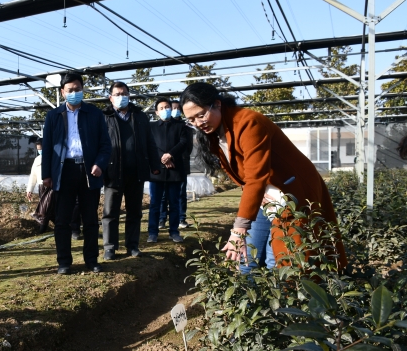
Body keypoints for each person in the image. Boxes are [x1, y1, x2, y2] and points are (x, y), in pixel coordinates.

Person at [179, 82, 347, 271]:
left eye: (201, 115)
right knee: (247, 259)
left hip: (291, 191)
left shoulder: (248, 122)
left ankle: (293, 289)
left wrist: (238, 229)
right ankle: (250, 289)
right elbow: (243, 174)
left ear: (217, 104)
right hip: (264, 194)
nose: (198, 123)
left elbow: (255, 176)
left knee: (284, 258)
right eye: (191, 120)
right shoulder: (215, 134)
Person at [41, 72, 112, 274]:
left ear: (83, 90)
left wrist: (99, 164)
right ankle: (64, 262)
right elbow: (47, 147)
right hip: (64, 171)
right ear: (62, 92)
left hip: (89, 171)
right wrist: (47, 174)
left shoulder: (94, 114)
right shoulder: (53, 116)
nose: (74, 93)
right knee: (62, 220)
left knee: (90, 219)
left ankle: (91, 260)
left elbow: (105, 145)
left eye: (78, 89)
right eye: (70, 90)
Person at [101, 81, 160, 260]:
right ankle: (110, 247)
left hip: (136, 171)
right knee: (110, 212)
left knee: (134, 211)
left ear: (129, 95)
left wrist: (155, 165)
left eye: (124, 94)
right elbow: (98, 144)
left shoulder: (140, 116)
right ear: (110, 98)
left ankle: (132, 246)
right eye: (117, 94)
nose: (121, 97)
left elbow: (150, 142)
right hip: (113, 172)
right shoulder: (104, 117)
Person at [147, 97, 189, 244]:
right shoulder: (151, 127)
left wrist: (170, 155)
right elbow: (150, 145)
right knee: (155, 203)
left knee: (174, 202)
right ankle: (153, 232)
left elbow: (183, 142)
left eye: (167, 107)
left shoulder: (180, 126)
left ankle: (174, 231)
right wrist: (162, 158)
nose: (165, 110)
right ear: (156, 112)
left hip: (175, 169)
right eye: (162, 108)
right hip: (157, 170)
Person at [159, 100, 193, 230]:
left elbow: (187, 146)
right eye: (172, 108)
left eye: (178, 108)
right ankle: (162, 219)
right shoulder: (162, 126)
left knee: (180, 193)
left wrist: (175, 156)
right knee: (163, 194)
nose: (174, 110)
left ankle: (181, 218)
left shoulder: (185, 127)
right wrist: (166, 158)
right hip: (164, 164)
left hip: (181, 164)